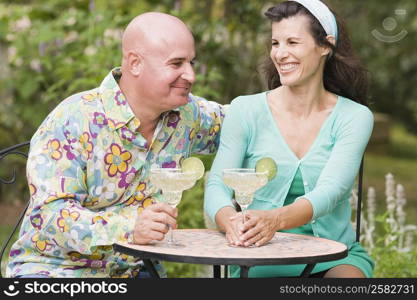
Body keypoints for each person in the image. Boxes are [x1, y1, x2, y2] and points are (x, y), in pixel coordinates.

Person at [6, 12, 225, 278]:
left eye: (191, 62)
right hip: (56, 270)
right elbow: (51, 216)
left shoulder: (186, 116)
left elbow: (247, 120)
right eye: (176, 63)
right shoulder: (74, 119)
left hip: (133, 270)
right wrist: (128, 228)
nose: (190, 74)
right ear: (135, 63)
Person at [204, 0, 374, 278]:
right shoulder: (246, 110)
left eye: (292, 42)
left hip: (331, 256)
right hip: (259, 256)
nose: (280, 54)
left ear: (324, 46)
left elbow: (331, 191)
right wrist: (230, 222)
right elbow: (216, 186)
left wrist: (275, 219)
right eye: (275, 43)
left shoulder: (354, 117)